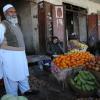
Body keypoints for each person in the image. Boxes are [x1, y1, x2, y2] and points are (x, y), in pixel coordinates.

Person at [0, 4, 39, 96]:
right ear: (5, 14)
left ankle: (26, 90)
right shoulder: (2, 25)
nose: (14, 14)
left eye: (14, 11)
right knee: (11, 77)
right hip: (10, 58)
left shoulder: (16, 25)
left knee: (23, 74)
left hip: (20, 56)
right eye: (11, 11)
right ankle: (13, 96)